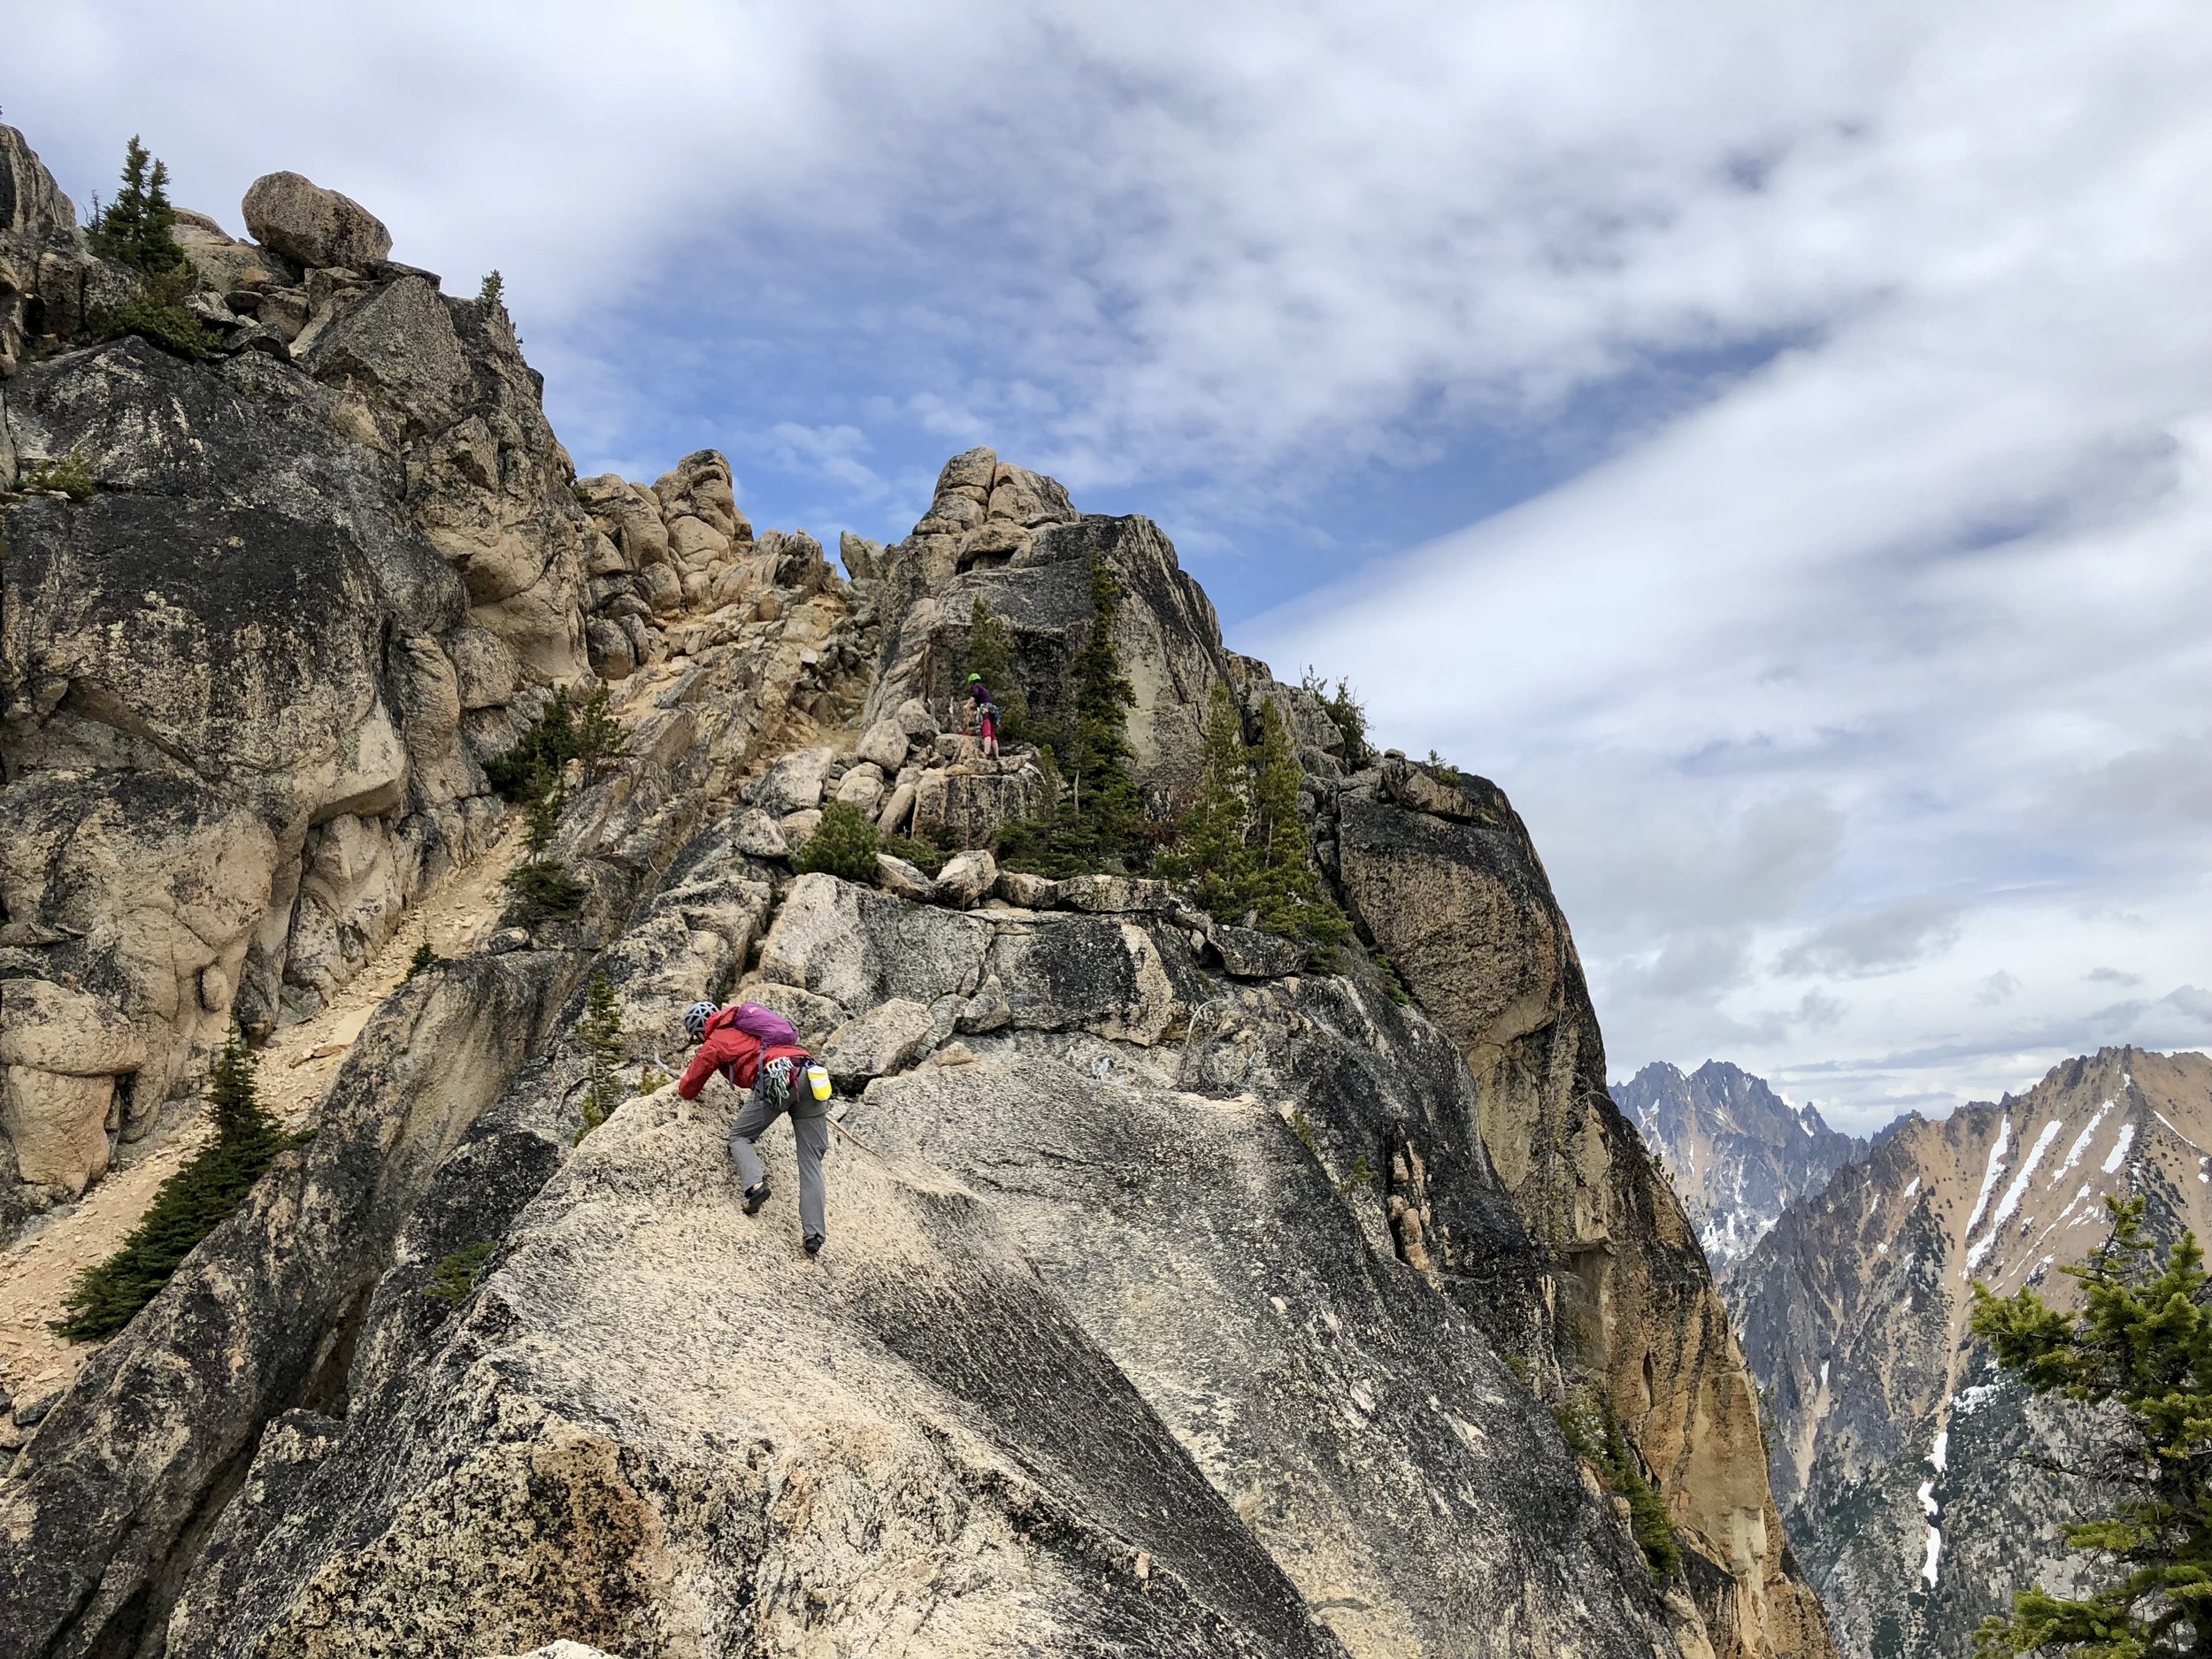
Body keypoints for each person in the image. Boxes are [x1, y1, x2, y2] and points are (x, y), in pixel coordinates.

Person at [678, 1000, 834, 1255]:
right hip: (810, 1072)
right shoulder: (746, 1022)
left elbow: (690, 1087)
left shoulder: (715, 1041)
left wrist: (681, 1085)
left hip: (777, 1078)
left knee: (740, 1138)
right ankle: (814, 1236)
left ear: (698, 1031)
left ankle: (755, 1187)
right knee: (811, 1162)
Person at [966, 672, 1000, 759]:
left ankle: (986, 754)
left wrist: (967, 705)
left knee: (986, 732)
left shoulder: (975, 687)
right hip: (992, 710)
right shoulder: (984, 689)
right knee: (992, 734)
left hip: (985, 710)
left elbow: (975, 695)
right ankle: (997, 755)